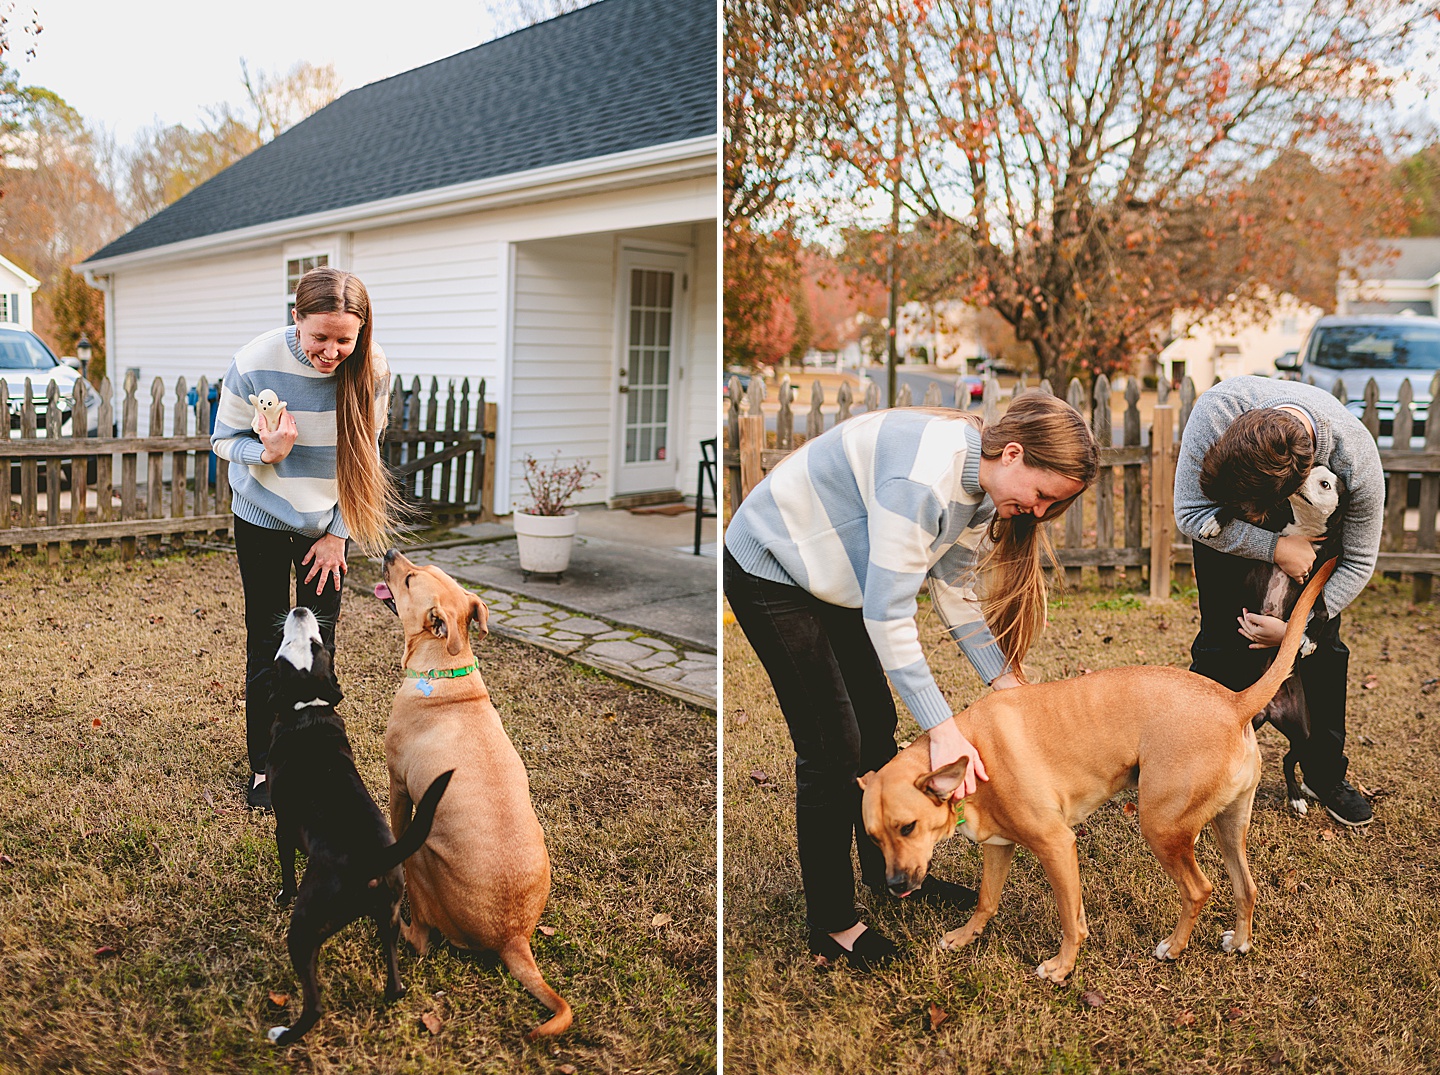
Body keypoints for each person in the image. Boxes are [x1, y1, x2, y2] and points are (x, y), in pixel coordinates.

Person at [723, 393, 1099, 969]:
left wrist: (1004, 680)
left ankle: (889, 873)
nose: (1041, 512)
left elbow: (954, 591)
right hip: (772, 569)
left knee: (875, 723)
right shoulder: (925, 479)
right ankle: (833, 923)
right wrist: (943, 728)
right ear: (1014, 454)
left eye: (1054, 505)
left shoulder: (982, 491)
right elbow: (889, 616)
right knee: (832, 748)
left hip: (840, 578)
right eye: (1043, 495)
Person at [211, 266, 400, 809]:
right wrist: (265, 453)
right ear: (296, 318)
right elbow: (223, 441)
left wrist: (339, 534)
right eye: (320, 337)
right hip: (263, 517)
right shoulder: (254, 362)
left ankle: (315, 757)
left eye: (346, 339)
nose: (332, 350)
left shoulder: (372, 368)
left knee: (322, 645)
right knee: (267, 641)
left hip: (328, 530)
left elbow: (365, 456)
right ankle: (268, 768)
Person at [1174, 375, 1383, 827]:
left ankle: (1324, 774)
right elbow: (1191, 513)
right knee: (1221, 644)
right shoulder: (1214, 415)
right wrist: (1273, 547)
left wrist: (1301, 631)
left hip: (1319, 550)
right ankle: (1198, 764)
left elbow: (1360, 560)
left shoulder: (1356, 462)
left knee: (1325, 656)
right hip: (1222, 538)